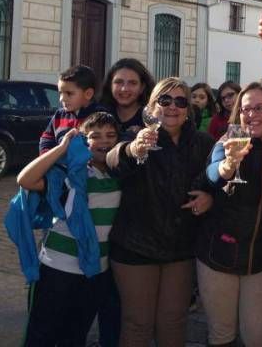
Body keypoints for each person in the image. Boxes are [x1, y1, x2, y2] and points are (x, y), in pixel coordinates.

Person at [106, 78, 215, 346]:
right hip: (136, 246)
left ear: (188, 109)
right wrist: (133, 149)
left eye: (180, 101)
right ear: (151, 107)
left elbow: (217, 180)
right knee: (138, 323)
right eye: (164, 100)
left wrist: (210, 198)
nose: (172, 107)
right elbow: (114, 160)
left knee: (174, 322)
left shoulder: (202, 143)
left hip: (181, 248)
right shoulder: (138, 135)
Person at [17, 112, 121, 346]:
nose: (104, 141)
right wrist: (62, 148)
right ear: (83, 140)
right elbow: (25, 179)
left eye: (110, 135)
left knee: (75, 336)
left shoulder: (119, 175)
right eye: (95, 136)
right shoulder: (69, 174)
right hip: (57, 269)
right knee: (40, 335)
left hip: (95, 272)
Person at [195, 80, 262, 347]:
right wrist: (227, 167)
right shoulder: (228, 141)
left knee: (257, 336)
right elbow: (212, 172)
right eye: (246, 109)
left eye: (260, 108)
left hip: (261, 259)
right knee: (221, 335)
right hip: (218, 254)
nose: (252, 114)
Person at [39, 65, 107, 154]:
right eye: (60, 93)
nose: (62, 99)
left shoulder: (100, 116)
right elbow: (47, 137)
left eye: (69, 93)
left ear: (88, 94)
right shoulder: (59, 115)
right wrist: (47, 155)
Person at [99, 58, 156, 139]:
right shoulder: (99, 113)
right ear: (110, 85)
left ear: (142, 87)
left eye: (132, 83)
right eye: (119, 82)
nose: (124, 89)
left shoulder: (151, 118)